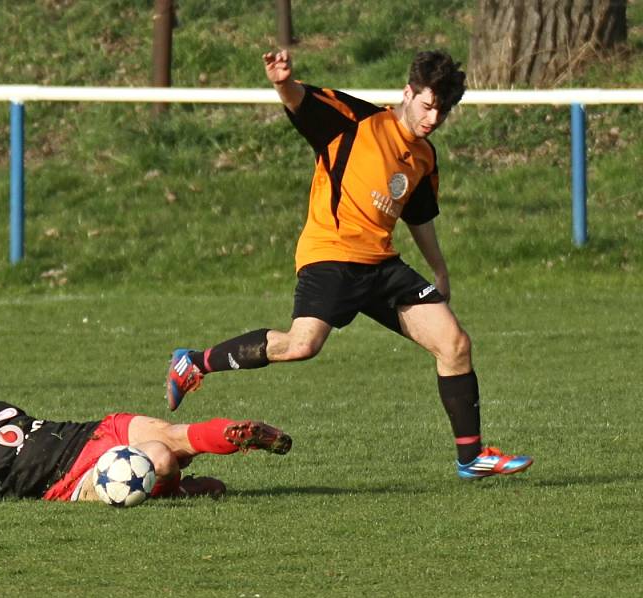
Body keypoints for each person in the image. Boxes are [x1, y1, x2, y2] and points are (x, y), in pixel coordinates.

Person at [166, 49, 533, 480]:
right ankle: (192, 362)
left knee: (454, 345)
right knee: (301, 345)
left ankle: (471, 459)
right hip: (331, 255)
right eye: (427, 105)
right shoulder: (353, 120)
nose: (433, 118)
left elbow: (419, 216)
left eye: (443, 111)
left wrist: (440, 270)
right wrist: (282, 81)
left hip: (381, 265)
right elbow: (299, 101)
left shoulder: (423, 157)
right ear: (408, 93)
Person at [0, 381, 292, 503]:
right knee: (160, 457)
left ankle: (240, 435)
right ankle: (179, 490)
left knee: (174, 434)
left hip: (94, 430)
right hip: (76, 478)